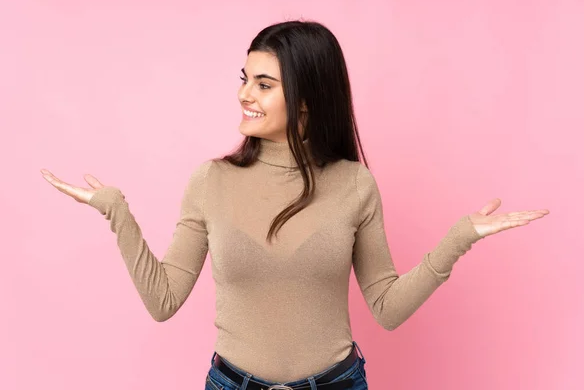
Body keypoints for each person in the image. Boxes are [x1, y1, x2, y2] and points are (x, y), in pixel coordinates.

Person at [40, 20, 549, 390]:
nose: (245, 94)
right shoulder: (211, 181)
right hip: (232, 385)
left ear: (305, 101)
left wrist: (459, 238)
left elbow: (387, 310)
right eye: (243, 78)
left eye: (264, 84)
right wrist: (117, 213)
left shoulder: (354, 185)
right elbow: (163, 301)